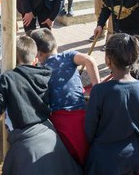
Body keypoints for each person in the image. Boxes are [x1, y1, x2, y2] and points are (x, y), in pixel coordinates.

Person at [0, 36, 82, 175]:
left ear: (13, 58)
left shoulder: (6, 79)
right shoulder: (44, 74)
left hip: (27, 147)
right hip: (51, 136)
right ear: (35, 59)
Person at [29, 28, 100, 167]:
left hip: (58, 119)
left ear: (37, 53)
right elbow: (90, 60)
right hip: (81, 114)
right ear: (55, 45)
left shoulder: (40, 70)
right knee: (85, 151)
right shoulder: (68, 56)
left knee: (68, 157)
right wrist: (97, 90)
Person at [85, 33, 139, 175]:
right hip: (132, 156)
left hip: (103, 158)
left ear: (108, 60)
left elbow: (90, 129)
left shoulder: (99, 91)